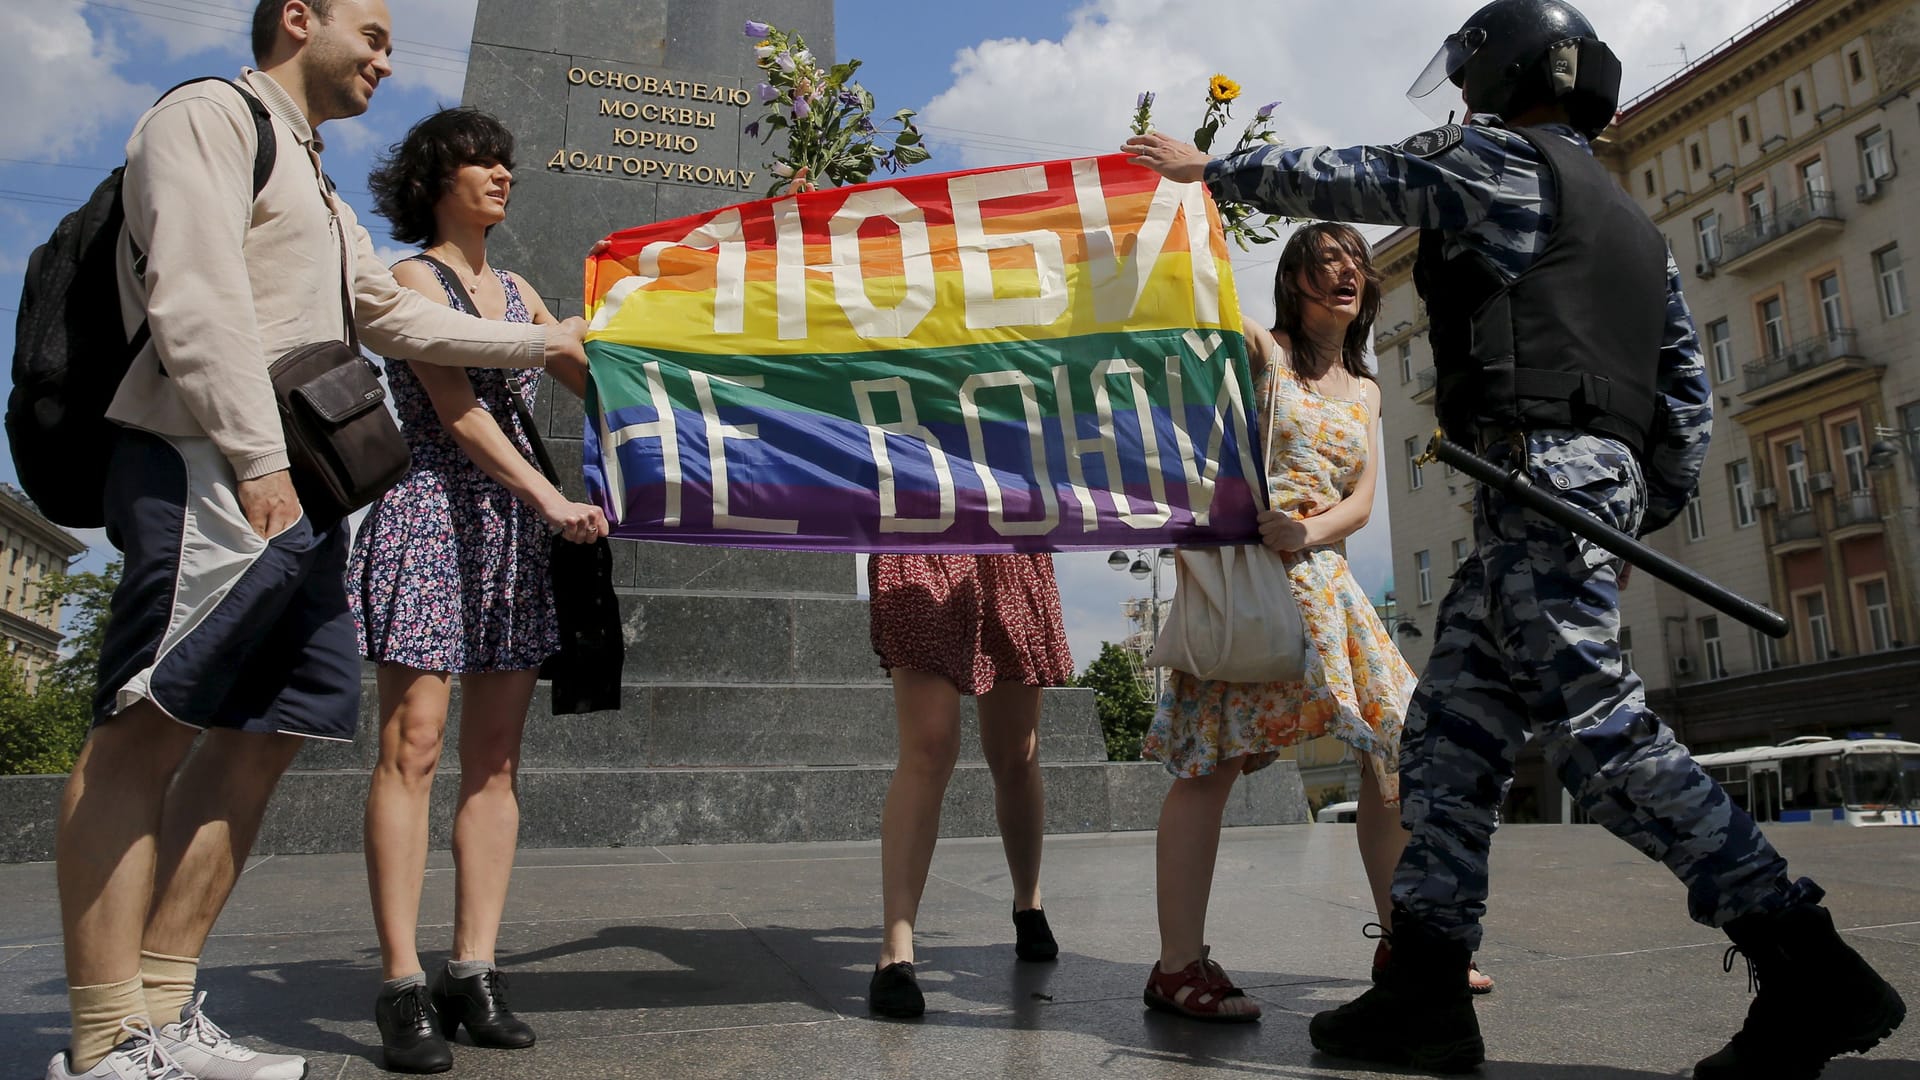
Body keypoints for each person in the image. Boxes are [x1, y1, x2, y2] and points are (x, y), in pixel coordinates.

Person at [1124, 1, 1904, 1074]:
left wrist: (1206, 171)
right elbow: (1686, 404)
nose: (1458, 98)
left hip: (1538, 480)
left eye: (1470, 77)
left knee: (1599, 733)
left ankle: (1805, 959)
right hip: (1558, 493)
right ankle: (1425, 992)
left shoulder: (1494, 160)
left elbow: (1358, 177)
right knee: (1446, 742)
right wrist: (1626, 502)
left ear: (1508, 75)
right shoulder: (1633, 224)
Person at [46, 3, 591, 1079]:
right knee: (147, 726)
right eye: (375, 34)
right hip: (214, 467)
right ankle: (107, 1038)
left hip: (305, 491)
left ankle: (165, 1009)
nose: (390, 59)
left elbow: (393, 320)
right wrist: (256, 461)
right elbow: (192, 294)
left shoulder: (319, 181)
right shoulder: (210, 117)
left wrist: (544, 337)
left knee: (262, 736)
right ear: (299, 18)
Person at [1142, 223, 1490, 1022]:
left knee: (1395, 748)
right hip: (1252, 584)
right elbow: (1203, 305)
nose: (1346, 273)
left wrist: (1311, 531)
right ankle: (1176, 965)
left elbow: (1363, 502)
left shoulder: (1367, 390)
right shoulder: (1264, 354)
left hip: (1326, 582)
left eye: (1356, 264)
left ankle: (1407, 943)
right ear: (1293, 277)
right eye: (1326, 260)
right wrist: (1197, 201)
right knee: (1211, 764)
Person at [349, 106, 607, 1074]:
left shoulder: (518, 287)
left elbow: (593, 379)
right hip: (434, 517)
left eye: (506, 160)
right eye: (478, 162)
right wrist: (549, 496)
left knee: (495, 762)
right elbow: (456, 412)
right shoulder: (414, 277)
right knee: (412, 748)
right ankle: (402, 981)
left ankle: (475, 968)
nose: (501, 173)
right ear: (435, 179)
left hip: (512, 536)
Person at [865, 554, 1073, 1018]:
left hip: (1004, 534)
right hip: (920, 523)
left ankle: (1028, 902)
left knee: (1015, 752)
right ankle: (896, 948)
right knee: (929, 743)